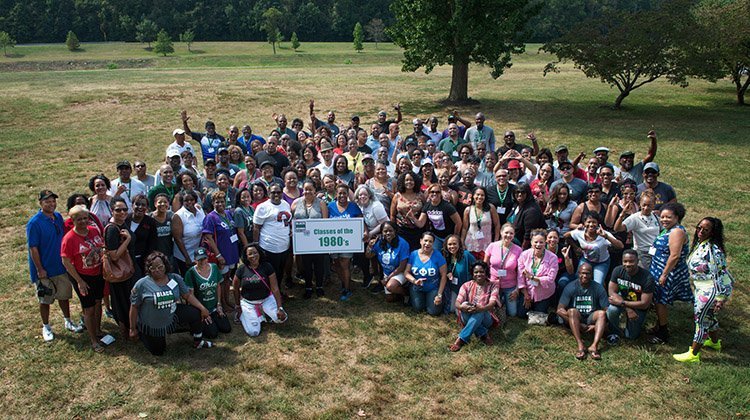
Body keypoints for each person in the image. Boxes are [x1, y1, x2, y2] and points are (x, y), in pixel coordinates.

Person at [673, 217, 735, 363]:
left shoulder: (713, 250)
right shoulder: (702, 244)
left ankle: (693, 354)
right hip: (702, 289)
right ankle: (714, 342)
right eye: (698, 227)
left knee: (700, 322)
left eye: (705, 230)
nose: (700, 231)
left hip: (710, 291)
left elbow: (719, 274)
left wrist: (720, 298)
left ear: (712, 232)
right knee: (710, 317)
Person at [129, 251, 213, 355]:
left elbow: (187, 295)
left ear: (165, 265)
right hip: (152, 323)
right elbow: (134, 307)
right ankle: (146, 335)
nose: (157, 270)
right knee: (158, 352)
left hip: (172, 313)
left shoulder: (174, 278)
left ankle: (198, 341)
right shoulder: (142, 284)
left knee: (195, 312)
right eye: (153, 268)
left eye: (160, 267)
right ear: (148, 269)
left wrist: (202, 308)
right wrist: (132, 329)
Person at [27, 190, 80, 342]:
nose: (51, 204)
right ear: (40, 203)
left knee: (64, 296)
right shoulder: (34, 223)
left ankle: (68, 320)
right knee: (45, 300)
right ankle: (46, 326)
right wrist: (40, 269)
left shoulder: (57, 217)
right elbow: (33, 248)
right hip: (45, 269)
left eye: (53, 201)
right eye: (47, 201)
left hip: (60, 266)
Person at [647, 202, 691, 344]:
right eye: (662, 217)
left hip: (668, 272)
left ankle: (663, 333)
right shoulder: (668, 230)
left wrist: (664, 274)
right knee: (658, 300)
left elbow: (674, 256)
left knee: (661, 301)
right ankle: (659, 324)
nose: (664, 220)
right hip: (659, 269)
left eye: (668, 217)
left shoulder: (676, 232)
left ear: (677, 217)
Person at [233, 243, 287, 337]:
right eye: (250, 254)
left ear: (259, 253)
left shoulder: (267, 266)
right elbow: (235, 288)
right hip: (248, 302)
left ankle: (264, 313)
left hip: (266, 299)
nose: (253, 256)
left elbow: (275, 288)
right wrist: (238, 305)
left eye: (255, 253)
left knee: (281, 319)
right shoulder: (241, 269)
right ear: (246, 256)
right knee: (253, 332)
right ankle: (244, 316)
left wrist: (280, 308)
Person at [556, 263, 609, 360]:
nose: (584, 276)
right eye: (582, 273)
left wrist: (597, 325)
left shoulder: (598, 288)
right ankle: (580, 345)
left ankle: (594, 346)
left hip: (591, 317)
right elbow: (560, 309)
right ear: (578, 273)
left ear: (592, 275)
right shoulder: (570, 287)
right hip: (576, 317)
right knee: (572, 311)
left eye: (587, 273)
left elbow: (606, 309)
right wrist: (578, 324)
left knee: (602, 314)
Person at [606, 249, 655, 345]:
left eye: (631, 261)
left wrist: (624, 304)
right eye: (625, 261)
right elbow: (612, 292)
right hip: (623, 301)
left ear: (637, 261)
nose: (628, 264)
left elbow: (644, 304)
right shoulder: (618, 270)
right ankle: (614, 331)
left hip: (638, 306)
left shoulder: (647, 277)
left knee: (631, 336)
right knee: (612, 310)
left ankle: (636, 326)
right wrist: (627, 308)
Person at [202, 190, 240, 310]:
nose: (220, 204)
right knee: (221, 279)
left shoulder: (228, 214)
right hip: (221, 253)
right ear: (213, 203)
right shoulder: (210, 217)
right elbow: (208, 237)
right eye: (217, 202)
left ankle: (227, 300)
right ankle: (222, 302)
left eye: (222, 202)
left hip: (231, 251)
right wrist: (218, 255)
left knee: (228, 277)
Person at [449, 261, 500, 351]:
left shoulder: (493, 285)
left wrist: (482, 308)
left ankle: (461, 339)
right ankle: (483, 333)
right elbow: (457, 303)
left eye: (481, 272)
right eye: (476, 272)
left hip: (486, 317)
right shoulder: (466, 285)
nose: (479, 274)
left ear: (486, 272)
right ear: (472, 274)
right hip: (468, 314)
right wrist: (461, 307)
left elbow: (492, 303)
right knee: (465, 305)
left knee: (480, 311)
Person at [291, 180, 329, 298]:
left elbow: (325, 221)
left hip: (317, 239)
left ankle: (319, 286)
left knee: (319, 264)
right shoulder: (296, 203)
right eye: (305, 189)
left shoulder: (321, 203)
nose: (307, 191)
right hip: (303, 241)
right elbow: (292, 220)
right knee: (306, 264)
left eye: (310, 189)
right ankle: (308, 287)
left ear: (315, 191)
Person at [253, 184, 293, 295]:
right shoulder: (262, 207)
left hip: (284, 245)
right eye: (273, 192)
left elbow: (287, 221)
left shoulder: (285, 204)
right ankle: (268, 294)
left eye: (279, 192)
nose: (276, 194)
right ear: (268, 193)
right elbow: (256, 227)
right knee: (270, 273)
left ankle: (277, 291)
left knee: (280, 271)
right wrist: (256, 245)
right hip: (269, 246)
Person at [104, 197, 135, 337]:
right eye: (118, 210)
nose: (122, 212)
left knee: (128, 300)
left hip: (127, 271)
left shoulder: (123, 223)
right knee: (121, 301)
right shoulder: (112, 229)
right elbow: (114, 255)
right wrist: (128, 240)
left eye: (124, 209)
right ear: (112, 211)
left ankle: (130, 327)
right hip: (118, 273)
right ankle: (124, 329)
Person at [184, 248, 231, 339]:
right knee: (212, 334)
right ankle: (199, 322)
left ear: (207, 258)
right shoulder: (190, 273)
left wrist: (219, 305)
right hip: (201, 309)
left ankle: (213, 317)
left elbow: (218, 286)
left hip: (214, 306)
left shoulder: (213, 267)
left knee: (226, 328)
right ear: (195, 260)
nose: (202, 261)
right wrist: (202, 310)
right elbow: (191, 295)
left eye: (204, 258)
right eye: (199, 259)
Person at [564, 214, 623, 286]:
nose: (591, 225)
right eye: (588, 222)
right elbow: (566, 236)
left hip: (602, 262)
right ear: (584, 223)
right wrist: (575, 247)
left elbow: (620, 246)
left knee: (598, 284)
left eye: (594, 222)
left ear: (598, 224)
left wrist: (606, 237)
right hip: (586, 259)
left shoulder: (603, 234)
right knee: (578, 279)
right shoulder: (579, 232)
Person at [328, 184, 364, 301]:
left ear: (348, 194)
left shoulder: (353, 206)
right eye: (340, 193)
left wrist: (365, 232)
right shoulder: (330, 206)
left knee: (345, 264)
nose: (342, 195)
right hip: (333, 242)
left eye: (344, 193)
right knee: (336, 263)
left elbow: (361, 221)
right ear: (336, 194)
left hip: (348, 242)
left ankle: (346, 289)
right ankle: (345, 282)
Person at [484, 223, 523, 317]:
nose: (508, 235)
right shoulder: (492, 246)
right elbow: (484, 266)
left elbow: (520, 272)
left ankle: (503, 301)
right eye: (506, 232)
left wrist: (517, 289)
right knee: (489, 310)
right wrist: (485, 284)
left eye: (511, 233)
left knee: (512, 313)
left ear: (514, 235)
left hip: (510, 285)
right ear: (501, 232)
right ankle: (500, 301)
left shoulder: (518, 250)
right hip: (493, 283)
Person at [355, 185, 389, 289]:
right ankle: (367, 276)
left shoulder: (376, 206)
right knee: (361, 254)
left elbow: (384, 223)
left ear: (369, 195)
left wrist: (370, 234)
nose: (362, 197)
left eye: (365, 194)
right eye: (360, 195)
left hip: (381, 234)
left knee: (380, 259)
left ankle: (382, 281)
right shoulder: (360, 206)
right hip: (368, 234)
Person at [404, 232, 448, 316]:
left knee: (433, 312)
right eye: (426, 240)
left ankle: (432, 299)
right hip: (417, 287)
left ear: (433, 243)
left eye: (430, 241)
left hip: (433, 288)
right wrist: (414, 281)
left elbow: (443, 276)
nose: (427, 243)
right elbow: (406, 272)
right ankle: (415, 298)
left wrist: (439, 295)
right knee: (418, 309)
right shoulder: (413, 254)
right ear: (421, 241)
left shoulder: (438, 256)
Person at [517, 229, 559, 316]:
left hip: (544, 293)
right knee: (521, 314)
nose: (538, 245)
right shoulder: (524, 255)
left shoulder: (553, 258)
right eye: (536, 242)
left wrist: (532, 277)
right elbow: (520, 277)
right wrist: (525, 295)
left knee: (539, 314)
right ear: (531, 242)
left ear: (545, 242)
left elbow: (550, 279)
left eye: (541, 242)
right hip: (528, 290)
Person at [613, 190, 659, 270]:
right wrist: (622, 214)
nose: (646, 208)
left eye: (649, 205)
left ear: (654, 205)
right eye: (644, 205)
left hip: (656, 252)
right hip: (642, 253)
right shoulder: (635, 218)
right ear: (640, 204)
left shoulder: (655, 217)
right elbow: (617, 228)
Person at [414, 184, 462, 252]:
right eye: (432, 192)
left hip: (448, 236)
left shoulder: (447, 206)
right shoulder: (427, 206)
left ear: (441, 194)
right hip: (436, 236)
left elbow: (458, 222)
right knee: (435, 254)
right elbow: (421, 223)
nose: (435, 194)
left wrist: (454, 237)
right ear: (429, 193)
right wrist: (411, 217)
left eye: (437, 192)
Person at [172, 191, 206, 275]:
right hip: (185, 256)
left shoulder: (199, 209)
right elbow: (178, 239)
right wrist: (187, 258)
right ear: (182, 202)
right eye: (186, 200)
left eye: (192, 199)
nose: (189, 202)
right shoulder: (178, 216)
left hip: (199, 253)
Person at [461, 186, 499, 259]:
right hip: (471, 243)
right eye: (477, 194)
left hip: (486, 243)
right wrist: (462, 241)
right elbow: (464, 228)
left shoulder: (490, 208)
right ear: (473, 196)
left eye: (482, 195)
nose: (480, 197)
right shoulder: (468, 210)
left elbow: (497, 225)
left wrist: (495, 241)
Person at [442, 234, 476, 314]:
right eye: (449, 244)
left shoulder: (466, 255)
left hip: (467, 289)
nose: (452, 246)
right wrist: (448, 272)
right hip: (454, 288)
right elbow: (447, 269)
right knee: (451, 309)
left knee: (460, 312)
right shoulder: (447, 256)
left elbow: (476, 267)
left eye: (454, 244)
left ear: (459, 244)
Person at [390, 172, 424, 250]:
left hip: (417, 231)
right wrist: (394, 230)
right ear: (403, 182)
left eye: (411, 180)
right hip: (401, 231)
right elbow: (392, 215)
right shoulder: (397, 196)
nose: (409, 182)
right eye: (407, 180)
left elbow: (425, 212)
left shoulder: (421, 195)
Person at [509, 182, 546, 249]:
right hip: (512, 242)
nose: (519, 194)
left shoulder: (532, 210)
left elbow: (528, 235)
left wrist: (522, 251)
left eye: (523, 192)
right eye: (517, 192)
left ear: (528, 193)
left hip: (524, 246)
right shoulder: (516, 205)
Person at [150, 194, 174, 270]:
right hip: (154, 255)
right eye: (160, 202)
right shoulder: (149, 217)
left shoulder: (171, 216)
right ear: (155, 204)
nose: (163, 204)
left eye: (165, 202)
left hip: (169, 254)